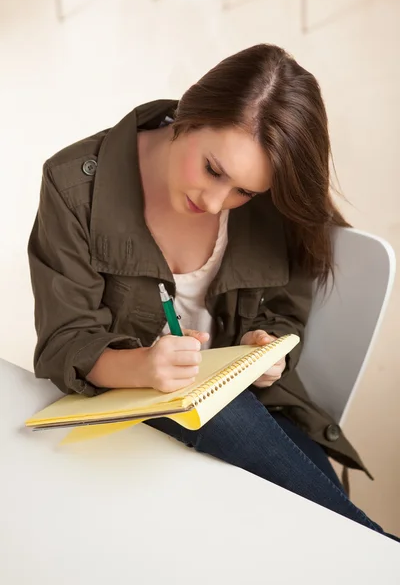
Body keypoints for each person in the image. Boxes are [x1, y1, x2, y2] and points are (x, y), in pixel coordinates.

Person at [27, 43, 396, 540]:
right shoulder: (75, 185)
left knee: (311, 504)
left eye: (243, 192)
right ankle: (378, 550)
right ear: (190, 114)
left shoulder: (272, 198)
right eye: (213, 170)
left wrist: (268, 350)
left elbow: (286, 312)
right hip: (129, 414)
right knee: (309, 508)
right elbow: (64, 340)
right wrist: (141, 367)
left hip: (252, 410)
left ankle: (372, 550)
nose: (216, 201)